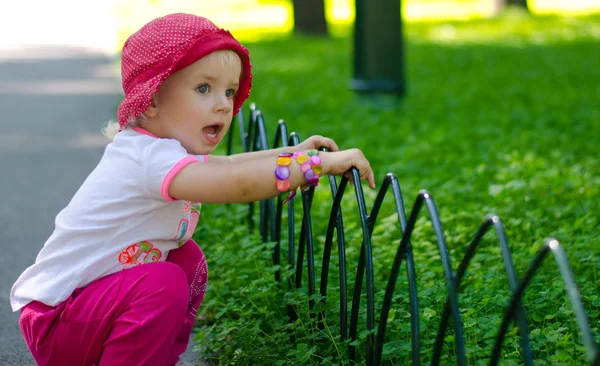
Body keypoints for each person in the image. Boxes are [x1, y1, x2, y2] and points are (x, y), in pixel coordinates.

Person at [10, 13, 375, 366]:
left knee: (187, 261)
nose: (223, 103)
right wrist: (318, 166)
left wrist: (292, 155)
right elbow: (238, 183)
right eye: (204, 88)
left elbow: (231, 166)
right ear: (151, 100)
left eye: (229, 92)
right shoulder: (148, 159)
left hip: (88, 309)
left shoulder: (162, 150)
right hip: (57, 321)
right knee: (163, 282)